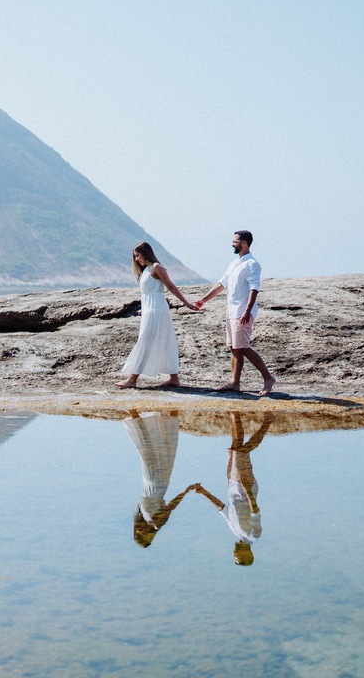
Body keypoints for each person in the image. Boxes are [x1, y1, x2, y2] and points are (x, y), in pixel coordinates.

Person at [193, 230, 276, 396]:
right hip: (231, 311)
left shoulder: (252, 264)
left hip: (242, 311)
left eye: (235, 241)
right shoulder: (234, 264)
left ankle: (268, 378)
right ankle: (234, 382)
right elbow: (220, 285)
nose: (232, 244)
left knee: (243, 347)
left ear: (244, 243)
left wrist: (247, 310)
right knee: (234, 347)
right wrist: (203, 300)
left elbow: (254, 288)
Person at [192, 411, 274, 565]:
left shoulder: (235, 531)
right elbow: (255, 511)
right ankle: (267, 422)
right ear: (246, 554)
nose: (233, 552)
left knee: (235, 446)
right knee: (242, 451)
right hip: (244, 486)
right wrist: (247, 488)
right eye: (237, 555)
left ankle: (234, 413)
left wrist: (204, 492)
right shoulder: (254, 535)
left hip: (231, 481)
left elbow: (221, 508)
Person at [116, 242, 197, 389]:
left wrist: (186, 303)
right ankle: (174, 378)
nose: (136, 259)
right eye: (134, 256)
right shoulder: (145, 270)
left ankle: (132, 379)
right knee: (163, 340)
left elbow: (171, 286)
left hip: (157, 309)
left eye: (137, 255)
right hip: (149, 309)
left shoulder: (156, 267)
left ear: (146, 253)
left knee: (146, 341)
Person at [123, 410, 197, 547]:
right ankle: (140, 414)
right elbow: (171, 507)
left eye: (137, 534)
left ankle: (137, 414)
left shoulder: (145, 519)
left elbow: (168, 507)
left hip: (151, 483)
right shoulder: (156, 524)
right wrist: (185, 492)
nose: (139, 531)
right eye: (141, 535)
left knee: (152, 448)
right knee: (158, 449)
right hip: (157, 483)